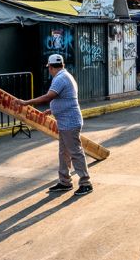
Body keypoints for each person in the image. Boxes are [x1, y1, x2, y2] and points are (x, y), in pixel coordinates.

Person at [16, 54, 92, 196]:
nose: (49, 70)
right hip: (66, 122)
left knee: (75, 152)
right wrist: (52, 110)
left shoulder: (60, 78)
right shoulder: (65, 76)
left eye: (49, 68)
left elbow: (49, 96)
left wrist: (26, 102)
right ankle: (65, 181)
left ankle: (85, 183)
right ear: (62, 65)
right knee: (64, 153)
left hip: (69, 123)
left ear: (50, 67)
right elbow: (66, 98)